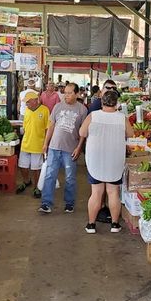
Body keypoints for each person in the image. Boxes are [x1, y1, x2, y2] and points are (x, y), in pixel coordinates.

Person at [79, 89, 134, 233]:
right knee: (113, 192)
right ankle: (115, 224)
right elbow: (131, 134)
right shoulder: (122, 118)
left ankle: (91, 224)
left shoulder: (93, 116)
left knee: (96, 193)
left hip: (95, 158)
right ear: (117, 103)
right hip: (115, 159)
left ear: (102, 102)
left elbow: (82, 133)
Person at [39, 83, 88, 214]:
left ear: (77, 94)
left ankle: (69, 203)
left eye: (70, 93)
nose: (66, 95)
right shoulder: (58, 106)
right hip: (54, 147)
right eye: (65, 92)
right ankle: (46, 203)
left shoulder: (82, 110)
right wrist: (45, 144)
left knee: (70, 178)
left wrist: (79, 148)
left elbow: (83, 133)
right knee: (50, 175)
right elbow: (51, 126)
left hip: (70, 149)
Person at [17, 91, 49, 198]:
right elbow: (25, 126)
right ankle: (26, 181)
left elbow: (47, 128)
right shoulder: (27, 110)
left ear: (36, 100)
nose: (26, 104)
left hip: (38, 144)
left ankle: (37, 187)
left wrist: (46, 144)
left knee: (36, 168)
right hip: (26, 143)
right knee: (22, 166)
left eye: (28, 102)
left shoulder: (44, 110)